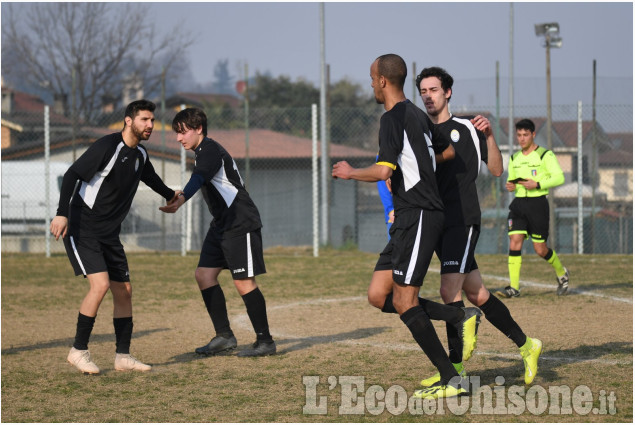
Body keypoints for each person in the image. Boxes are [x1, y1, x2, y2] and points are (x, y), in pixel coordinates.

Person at [332, 54, 480, 400]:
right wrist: (415, 171)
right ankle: (456, 316)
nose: (370, 83)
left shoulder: (393, 118)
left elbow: (383, 171)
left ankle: (452, 378)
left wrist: (350, 172)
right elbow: (445, 154)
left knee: (404, 299)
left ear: (383, 81)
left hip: (420, 215)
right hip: (409, 214)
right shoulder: (416, 113)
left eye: (371, 78)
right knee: (378, 295)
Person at [416, 66, 543, 386]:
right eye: (423, 92)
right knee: (478, 293)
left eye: (433, 90)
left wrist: (489, 135)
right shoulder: (420, 131)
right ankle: (528, 346)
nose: (428, 96)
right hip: (436, 221)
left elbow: (498, 170)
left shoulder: (467, 128)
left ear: (447, 92)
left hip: (462, 218)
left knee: (448, 291)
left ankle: (455, 369)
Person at [50, 99, 180, 375]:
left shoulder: (140, 155)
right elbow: (72, 173)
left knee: (124, 291)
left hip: (110, 234)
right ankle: (78, 350)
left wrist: (171, 197)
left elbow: (152, 179)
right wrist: (62, 213)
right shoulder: (107, 147)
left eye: (152, 120)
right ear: (128, 120)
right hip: (83, 226)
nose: (150, 125)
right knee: (100, 286)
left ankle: (123, 356)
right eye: (145, 119)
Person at [160, 107, 275, 357]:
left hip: (240, 222)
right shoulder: (201, 152)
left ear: (199, 129)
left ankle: (265, 341)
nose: (179, 138)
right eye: (177, 134)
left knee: (243, 282)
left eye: (183, 132)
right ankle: (224, 336)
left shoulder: (210, 149)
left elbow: (199, 178)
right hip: (222, 224)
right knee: (204, 275)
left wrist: (180, 199)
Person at [499, 118, 569, 298]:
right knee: (515, 241)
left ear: (533, 135)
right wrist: (511, 186)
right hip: (519, 204)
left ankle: (562, 273)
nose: (522, 139)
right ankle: (514, 288)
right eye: (519, 135)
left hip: (538, 204)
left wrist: (537, 184)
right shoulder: (514, 158)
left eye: (525, 135)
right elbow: (512, 180)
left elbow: (559, 178)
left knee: (540, 249)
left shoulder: (546, 155)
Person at [376, 154, 394, 240]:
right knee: (395, 250)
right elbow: (382, 183)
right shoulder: (386, 149)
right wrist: (390, 209)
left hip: (414, 210)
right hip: (395, 213)